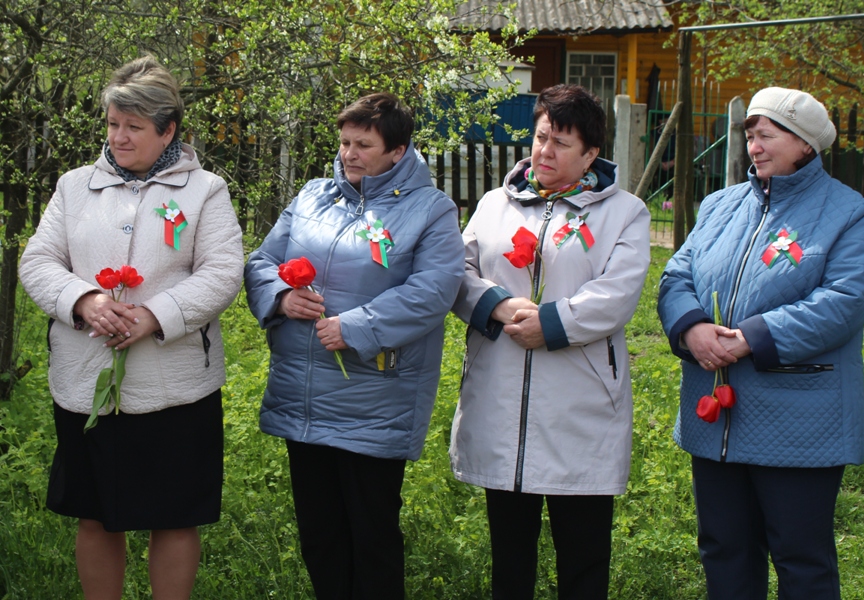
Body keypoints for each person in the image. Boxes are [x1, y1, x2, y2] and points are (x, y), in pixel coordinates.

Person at [18, 55, 243, 599]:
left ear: (168, 130)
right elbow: (39, 261)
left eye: (133, 127)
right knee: (95, 514)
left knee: (174, 516)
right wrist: (85, 300)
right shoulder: (74, 187)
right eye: (113, 124)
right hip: (85, 382)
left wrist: (154, 316)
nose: (118, 137)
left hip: (176, 388)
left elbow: (222, 273)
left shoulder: (205, 190)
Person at [657, 87, 864, 599]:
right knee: (723, 548)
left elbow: (843, 302)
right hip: (716, 413)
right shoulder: (720, 206)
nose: (754, 147)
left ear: (804, 143)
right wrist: (692, 327)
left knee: (801, 558)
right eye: (750, 136)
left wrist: (749, 339)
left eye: (767, 136)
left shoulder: (850, 213)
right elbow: (677, 276)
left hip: (800, 416)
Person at [244, 92, 464, 599]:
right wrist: (282, 297)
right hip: (304, 395)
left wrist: (358, 327)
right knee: (320, 535)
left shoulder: (430, 210)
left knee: (372, 537)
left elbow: (434, 290)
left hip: (374, 398)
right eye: (345, 142)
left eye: (363, 145)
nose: (349, 154)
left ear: (398, 151)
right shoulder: (313, 196)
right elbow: (261, 262)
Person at [449, 84, 651, 599]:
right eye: (541, 137)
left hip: (579, 405)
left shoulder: (623, 212)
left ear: (591, 154)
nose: (545, 151)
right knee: (510, 558)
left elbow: (617, 294)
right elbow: (458, 273)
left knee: (583, 558)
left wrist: (553, 323)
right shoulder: (495, 204)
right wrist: (497, 304)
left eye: (562, 143)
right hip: (501, 397)